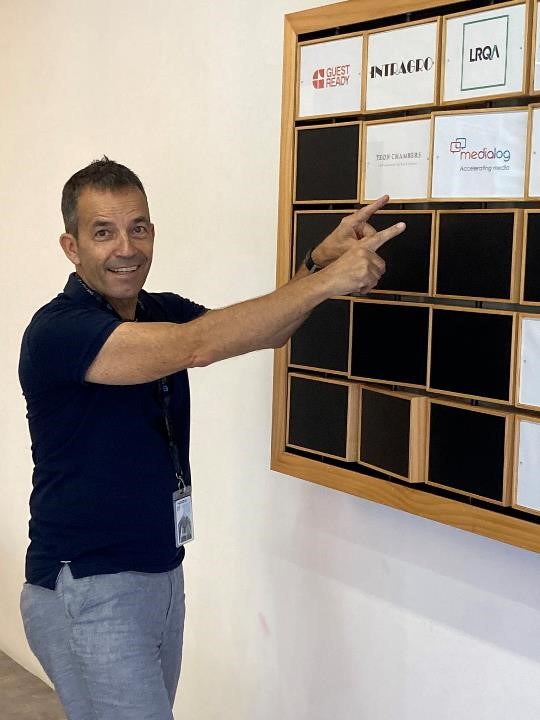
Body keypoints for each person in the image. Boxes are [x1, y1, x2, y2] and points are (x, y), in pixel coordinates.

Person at [18, 157, 405, 720]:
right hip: (87, 585)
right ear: (71, 248)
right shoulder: (58, 331)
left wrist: (316, 265)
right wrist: (327, 280)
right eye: (103, 232)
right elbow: (195, 346)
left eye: (138, 228)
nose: (126, 247)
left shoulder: (156, 310)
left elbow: (261, 331)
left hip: (159, 573)